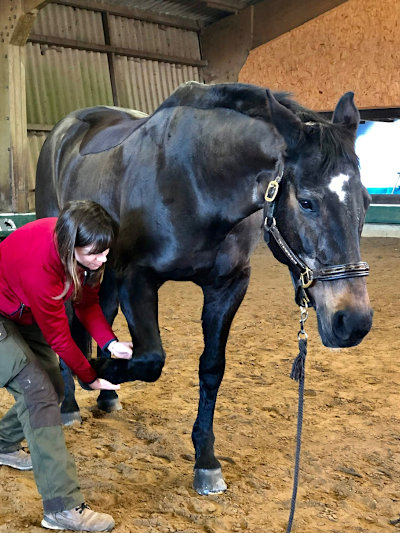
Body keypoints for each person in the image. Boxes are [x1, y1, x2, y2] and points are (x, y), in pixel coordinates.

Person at [0, 200, 133, 532]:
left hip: (23, 309)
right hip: (8, 307)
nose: (102, 259)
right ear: (71, 245)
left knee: (56, 387)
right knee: (38, 391)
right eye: (94, 254)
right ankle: (61, 507)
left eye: (106, 251)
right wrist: (90, 378)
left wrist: (110, 342)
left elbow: (87, 304)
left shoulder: (86, 257)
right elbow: (60, 339)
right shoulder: (42, 265)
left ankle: (2, 443)